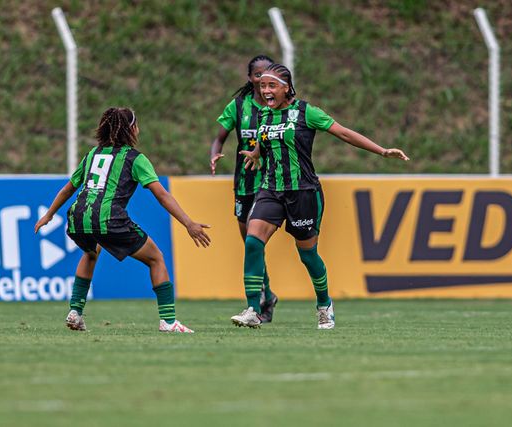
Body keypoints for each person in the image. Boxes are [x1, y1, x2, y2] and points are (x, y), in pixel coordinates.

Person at [231, 63, 409, 329]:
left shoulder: (306, 112)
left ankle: (324, 304)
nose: (265, 90)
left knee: (307, 255)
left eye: (272, 86)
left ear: (287, 87)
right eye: (263, 85)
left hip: (303, 192)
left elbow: (344, 133)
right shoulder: (263, 115)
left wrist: (382, 151)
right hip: (270, 189)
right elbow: (263, 139)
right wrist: (256, 154)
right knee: (253, 242)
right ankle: (253, 310)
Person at [35, 107, 211, 333]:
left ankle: (75, 312)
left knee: (90, 253)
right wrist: (188, 223)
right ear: (132, 129)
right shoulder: (135, 158)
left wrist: (49, 214)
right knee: (156, 259)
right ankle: (168, 322)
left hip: (78, 217)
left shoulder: (93, 154)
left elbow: (69, 188)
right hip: (109, 219)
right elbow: (161, 194)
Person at [210, 54, 279, 323]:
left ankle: (256, 303)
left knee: (254, 237)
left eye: (267, 75)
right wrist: (215, 154)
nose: (263, 80)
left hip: (272, 182)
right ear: (251, 79)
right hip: (244, 183)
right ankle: (267, 295)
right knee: (251, 244)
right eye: (258, 75)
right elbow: (219, 138)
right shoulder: (239, 106)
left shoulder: (282, 107)